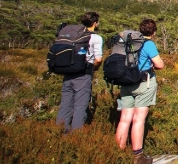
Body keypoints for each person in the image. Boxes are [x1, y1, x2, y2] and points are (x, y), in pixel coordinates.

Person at [115, 18, 165, 164]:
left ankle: (118, 151)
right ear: (154, 32)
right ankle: (137, 155)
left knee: (124, 118)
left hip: (125, 82)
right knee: (139, 119)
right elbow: (159, 64)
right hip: (143, 83)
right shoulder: (148, 44)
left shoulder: (129, 42)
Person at [56, 11, 104, 132]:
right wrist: (94, 68)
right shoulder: (96, 38)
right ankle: (76, 137)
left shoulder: (73, 35)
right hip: (84, 73)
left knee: (65, 105)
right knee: (80, 106)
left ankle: (59, 133)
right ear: (94, 23)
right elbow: (98, 59)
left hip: (68, 72)